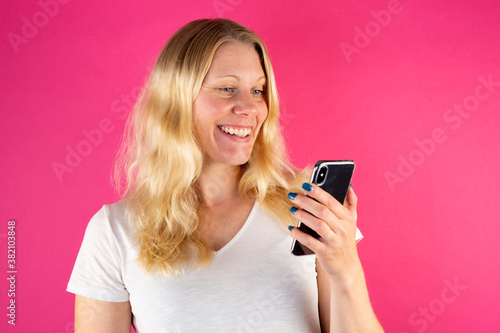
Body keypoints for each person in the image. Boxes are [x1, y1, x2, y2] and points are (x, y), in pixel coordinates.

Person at [67, 18, 384, 332]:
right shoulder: (114, 231)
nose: (248, 108)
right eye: (227, 88)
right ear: (177, 99)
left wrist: (345, 268)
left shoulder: (309, 208)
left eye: (258, 91)